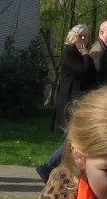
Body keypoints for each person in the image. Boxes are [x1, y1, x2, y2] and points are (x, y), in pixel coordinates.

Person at [37, 25, 97, 181]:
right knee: (76, 139)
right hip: (70, 101)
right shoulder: (70, 54)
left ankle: (54, 167)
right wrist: (86, 55)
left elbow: (91, 75)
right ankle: (49, 166)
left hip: (78, 99)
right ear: (73, 37)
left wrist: (86, 57)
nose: (84, 39)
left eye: (86, 36)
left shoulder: (80, 54)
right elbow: (83, 72)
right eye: (81, 36)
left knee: (76, 138)